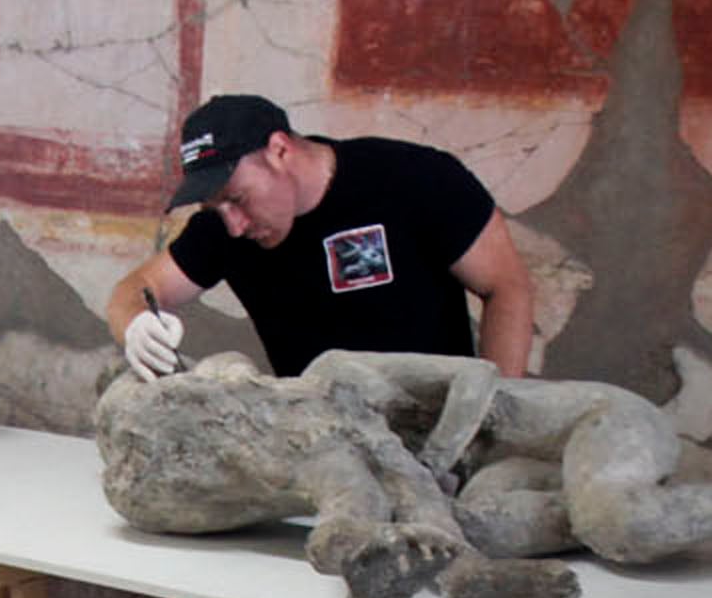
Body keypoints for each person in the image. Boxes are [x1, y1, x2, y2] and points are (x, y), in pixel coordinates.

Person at [104, 92, 533, 391]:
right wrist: (136, 324)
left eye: (237, 198)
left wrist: (491, 414)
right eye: (216, 208)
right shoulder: (223, 225)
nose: (234, 225)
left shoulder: (413, 180)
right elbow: (136, 290)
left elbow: (507, 286)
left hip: (434, 429)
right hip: (325, 443)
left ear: (280, 151)